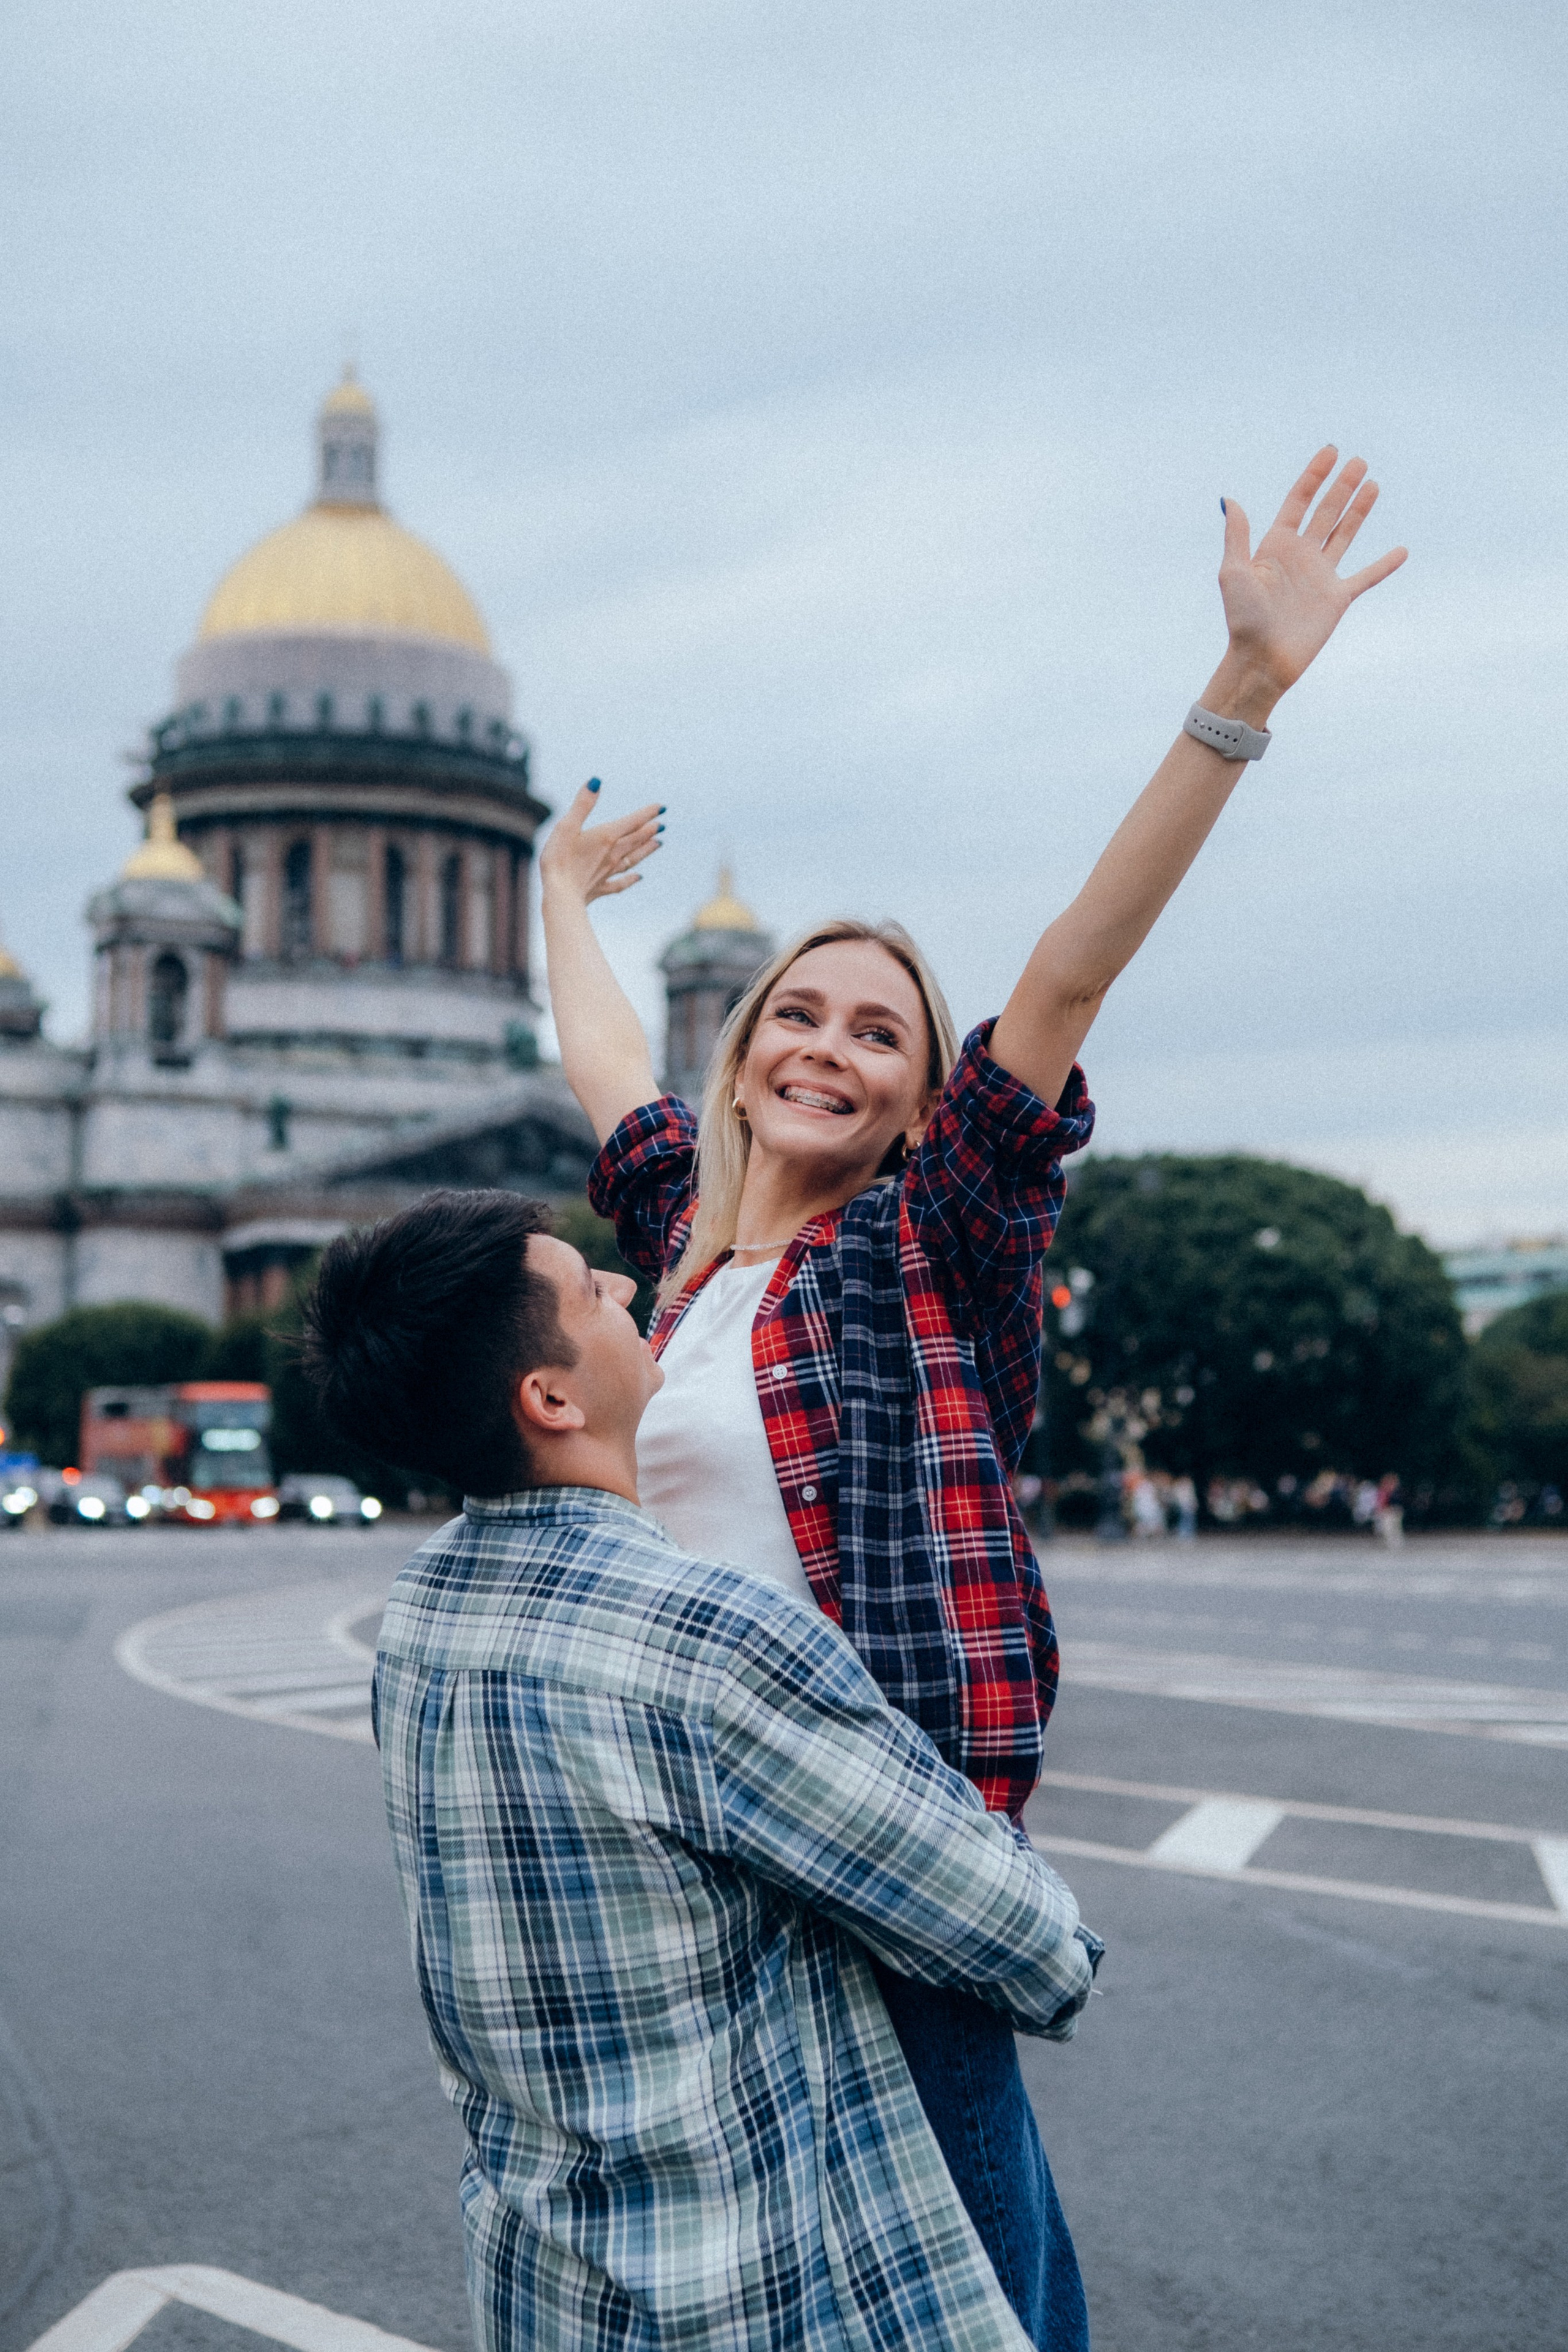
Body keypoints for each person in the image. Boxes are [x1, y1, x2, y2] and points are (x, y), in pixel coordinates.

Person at [540, 443, 1406, 2316]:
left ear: (933, 1101)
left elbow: (1072, 978)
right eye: (800, 1011)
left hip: (885, 1817)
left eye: (883, 1034)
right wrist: (559, 899)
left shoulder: (929, 1237)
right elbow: (608, 1058)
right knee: (837, 2267)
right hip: (707, 1840)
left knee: (967, 2268)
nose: (829, 1047)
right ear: (747, 1042)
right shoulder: (683, 1245)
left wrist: (1240, 696)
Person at [301, 1190, 1101, 2352]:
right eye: (591, 1290)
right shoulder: (710, 1640)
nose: (629, 1288)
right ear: (552, 1397)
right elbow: (1033, 1952)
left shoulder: (422, 1609)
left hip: (546, 2288)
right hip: (755, 2296)